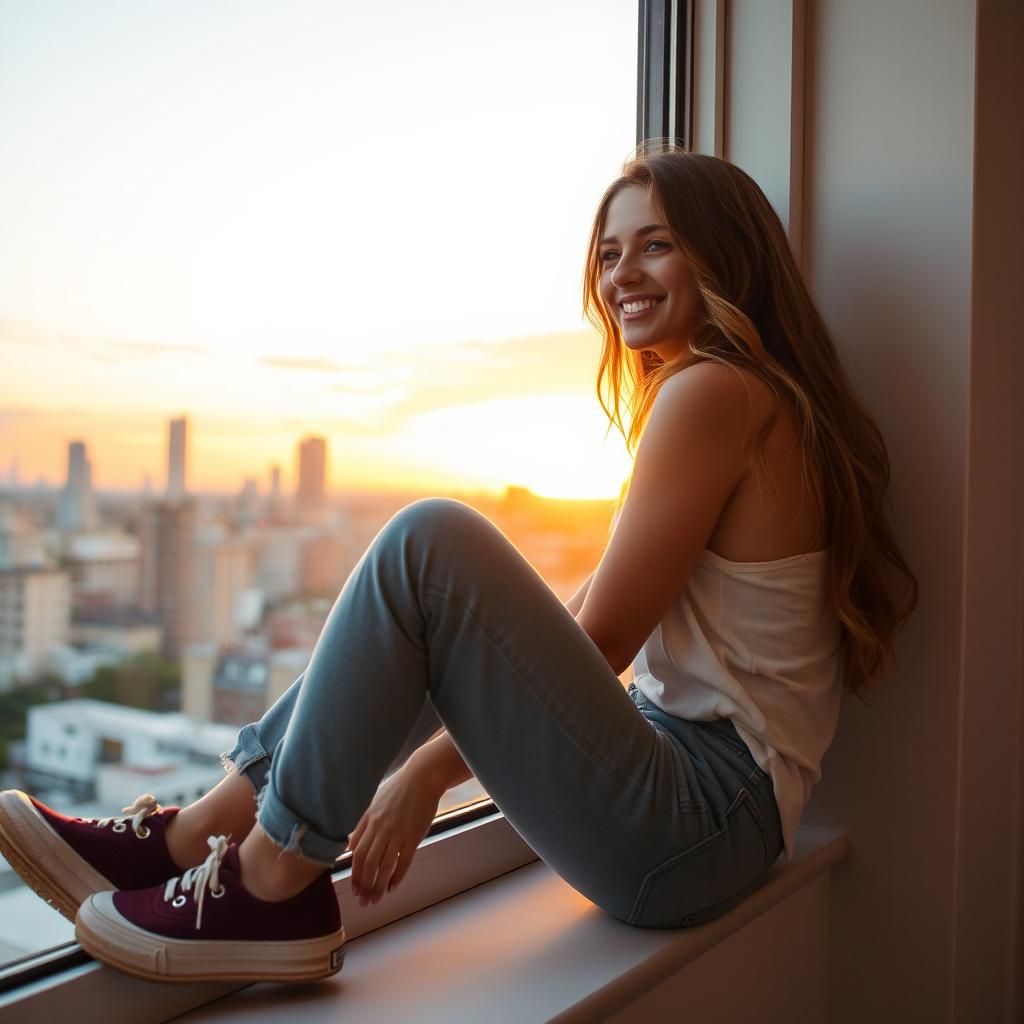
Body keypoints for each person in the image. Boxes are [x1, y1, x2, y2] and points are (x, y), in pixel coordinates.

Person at [0, 142, 918, 985]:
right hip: (714, 827)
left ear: (723, 257)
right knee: (436, 584)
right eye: (607, 255)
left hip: (697, 823)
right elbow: (564, 625)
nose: (622, 276)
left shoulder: (713, 393)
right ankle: (196, 837)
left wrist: (427, 773)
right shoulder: (756, 399)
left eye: (656, 246)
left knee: (427, 543)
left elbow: (597, 641)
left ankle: (271, 879)